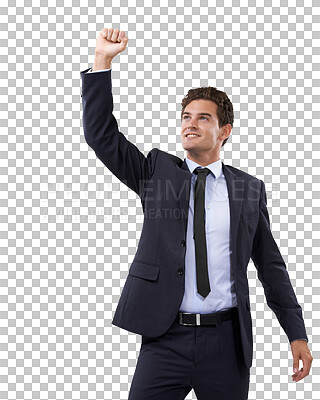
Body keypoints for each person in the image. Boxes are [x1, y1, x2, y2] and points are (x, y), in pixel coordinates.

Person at [80, 27, 313, 400]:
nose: (191, 123)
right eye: (187, 116)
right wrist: (102, 62)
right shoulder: (157, 173)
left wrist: (296, 333)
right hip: (164, 336)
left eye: (203, 118)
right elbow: (101, 136)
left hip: (226, 344)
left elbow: (271, 266)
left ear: (225, 131)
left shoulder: (248, 190)